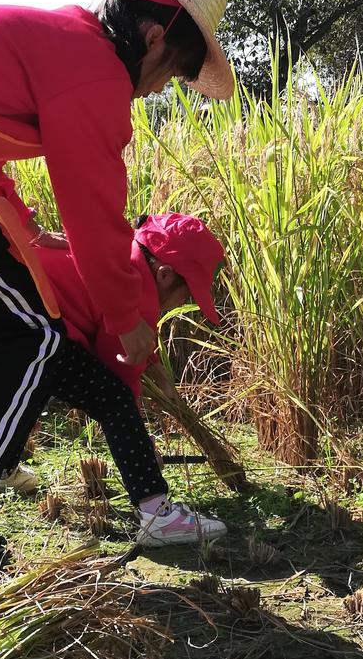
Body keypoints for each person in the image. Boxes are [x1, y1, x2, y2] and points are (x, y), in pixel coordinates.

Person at [0, 0, 234, 592]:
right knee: (30, 338)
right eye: (174, 70)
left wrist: (18, 231)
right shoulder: (96, 73)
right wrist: (126, 318)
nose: (163, 87)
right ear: (152, 35)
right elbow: (94, 211)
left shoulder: (59, 44)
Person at [30, 212, 227, 545]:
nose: (186, 301)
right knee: (114, 399)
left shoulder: (118, 255)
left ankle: (2, 469)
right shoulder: (133, 290)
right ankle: (156, 513)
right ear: (165, 275)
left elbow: (118, 338)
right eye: (188, 292)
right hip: (30, 324)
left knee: (28, 388)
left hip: (4, 307)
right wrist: (141, 448)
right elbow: (119, 374)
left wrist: (155, 369)